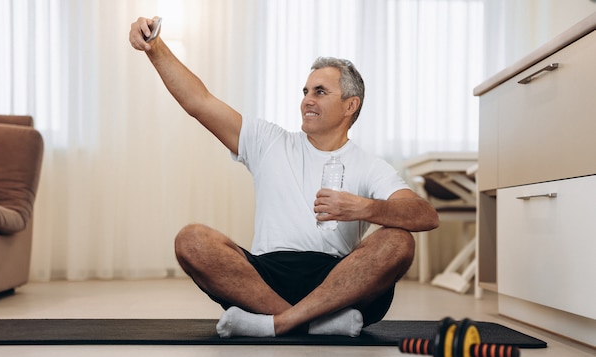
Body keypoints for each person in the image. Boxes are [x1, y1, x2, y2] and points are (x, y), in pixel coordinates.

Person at [129, 16, 439, 338]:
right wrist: (155, 48)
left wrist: (364, 208)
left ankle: (275, 324)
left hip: (336, 280)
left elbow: (425, 215)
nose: (307, 99)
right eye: (306, 91)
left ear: (350, 105)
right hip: (265, 279)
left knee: (399, 241)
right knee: (191, 239)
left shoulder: (369, 165)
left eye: (320, 92)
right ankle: (310, 322)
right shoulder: (268, 141)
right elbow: (200, 102)